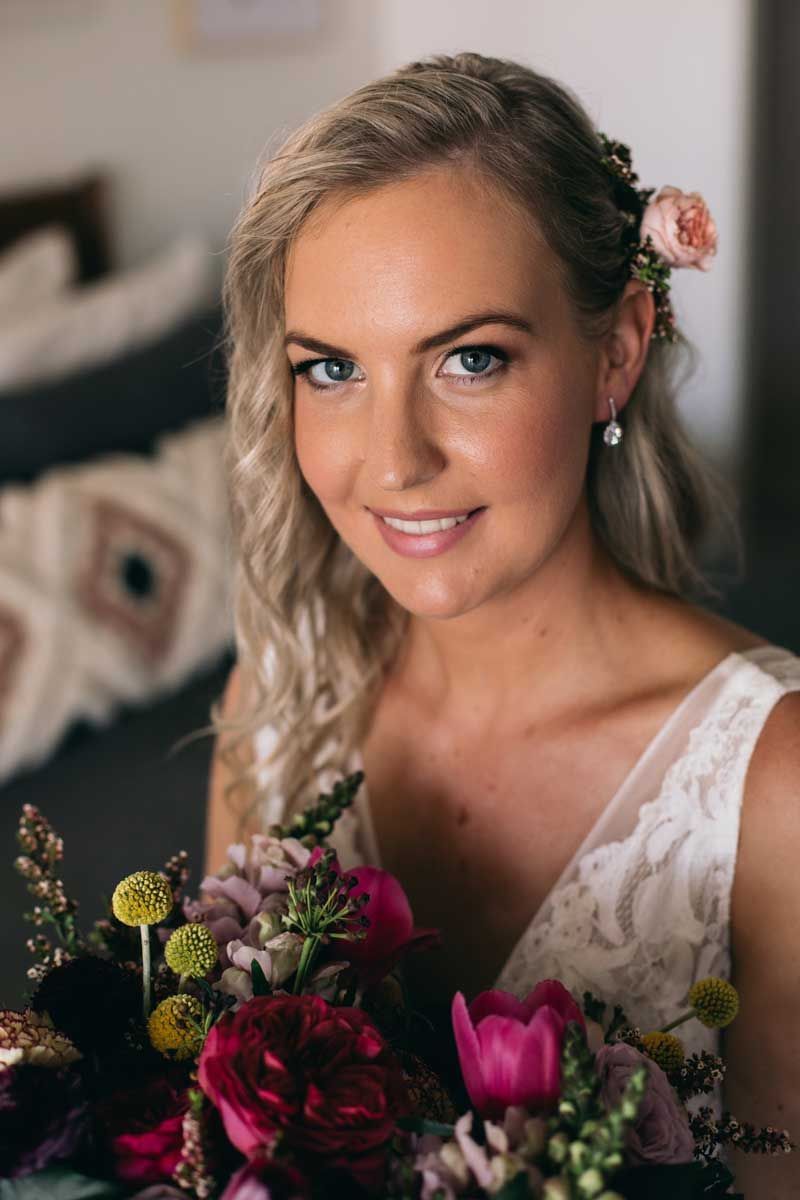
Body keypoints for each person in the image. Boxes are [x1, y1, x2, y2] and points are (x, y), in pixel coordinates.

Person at [206, 53, 800, 1195]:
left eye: (469, 360)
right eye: (330, 369)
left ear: (613, 356)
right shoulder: (273, 706)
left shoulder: (773, 790)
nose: (392, 462)